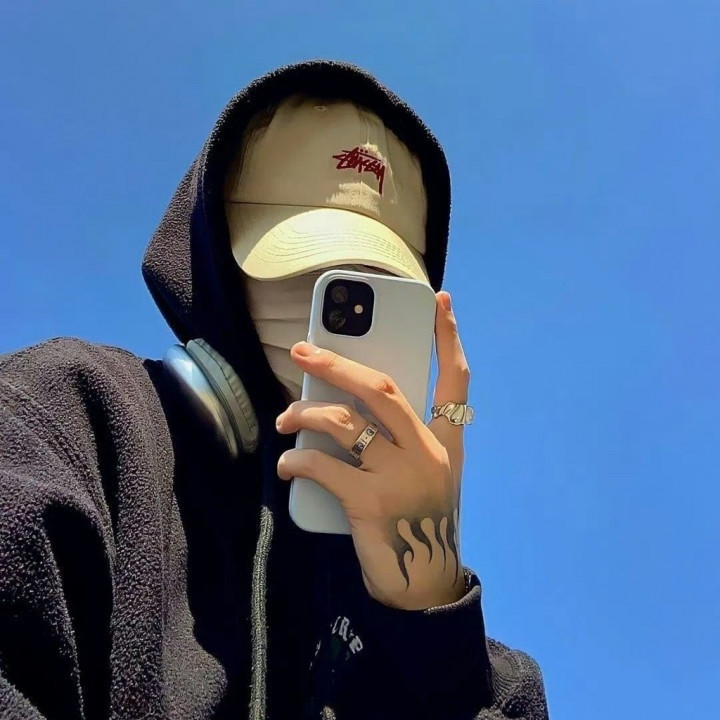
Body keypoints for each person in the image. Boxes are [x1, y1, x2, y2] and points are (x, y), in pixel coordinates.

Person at [0, 60, 549, 719]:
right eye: (304, 270)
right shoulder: (71, 423)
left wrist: (427, 626)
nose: (328, 315)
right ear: (214, 251)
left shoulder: (497, 682)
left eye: (377, 286)